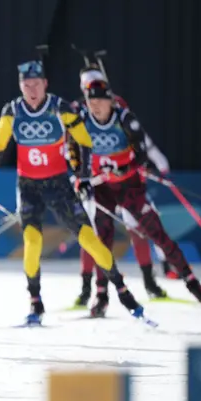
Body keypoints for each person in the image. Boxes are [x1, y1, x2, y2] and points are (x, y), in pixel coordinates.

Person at [0, 60, 146, 325]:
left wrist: (84, 178)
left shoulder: (59, 107)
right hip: (29, 186)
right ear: (21, 86)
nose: (31, 90)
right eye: (26, 85)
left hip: (58, 185)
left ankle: (124, 292)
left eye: (36, 84)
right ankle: (36, 302)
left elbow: (84, 141)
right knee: (33, 243)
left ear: (45, 84)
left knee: (89, 239)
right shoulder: (13, 110)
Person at [75, 80, 201, 311]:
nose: (95, 107)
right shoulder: (82, 121)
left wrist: (124, 169)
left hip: (129, 186)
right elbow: (75, 153)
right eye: (91, 102)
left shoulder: (124, 119)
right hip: (102, 188)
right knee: (102, 240)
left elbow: (142, 154)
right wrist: (82, 179)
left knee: (157, 234)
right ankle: (101, 294)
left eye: (99, 102)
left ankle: (193, 284)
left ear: (110, 102)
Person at [72, 66, 172, 304]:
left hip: (124, 181)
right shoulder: (79, 113)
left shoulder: (119, 109)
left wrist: (152, 163)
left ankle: (150, 283)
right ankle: (88, 290)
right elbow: (70, 147)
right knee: (91, 234)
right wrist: (77, 175)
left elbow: (140, 141)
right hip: (95, 183)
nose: (91, 95)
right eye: (86, 89)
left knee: (137, 228)